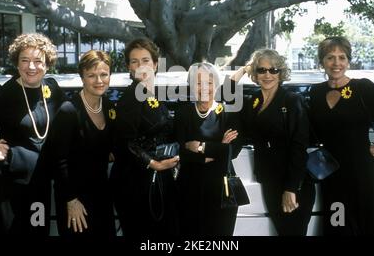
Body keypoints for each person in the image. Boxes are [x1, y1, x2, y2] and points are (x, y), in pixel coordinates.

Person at [308, 36, 374, 236]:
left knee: (371, 228)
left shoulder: (362, 88)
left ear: (348, 61)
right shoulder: (316, 92)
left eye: (342, 57)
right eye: (330, 57)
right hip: (332, 176)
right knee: (337, 228)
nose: (336, 63)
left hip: (365, 174)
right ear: (322, 61)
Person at [0, 33, 65, 236]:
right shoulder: (3, 94)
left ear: (47, 65)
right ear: (17, 64)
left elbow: (68, 125)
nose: (31, 67)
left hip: (40, 187)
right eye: (25, 60)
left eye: (38, 61)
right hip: (8, 189)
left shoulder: (52, 90)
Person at [229, 49, 315, 236]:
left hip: (292, 184)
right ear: (255, 73)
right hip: (269, 180)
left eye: (273, 70)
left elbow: (299, 146)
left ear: (280, 73)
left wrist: (291, 188)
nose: (267, 75)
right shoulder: (254, 101)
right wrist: (244, 69)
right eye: (261, 70)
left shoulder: (292, 100)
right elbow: (226, 93)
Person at [110, 38, 179, 236]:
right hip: (134, 183)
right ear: (128, 67)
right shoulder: (131, 97)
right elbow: (124, 142)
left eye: (146, 60)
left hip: (154, 180)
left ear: (156, 64)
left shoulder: (151, 94)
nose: (141, 66)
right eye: (134, 61)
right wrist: (155, 164)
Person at [47, 50, 116, 237]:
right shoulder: (69, 111)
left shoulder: (109, 107)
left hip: (102, 194)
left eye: (104, 74)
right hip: (75, 199)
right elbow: (58, 160)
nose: (99, 80)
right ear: (82, 78)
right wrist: (71, 200)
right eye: (91, 75)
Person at [175, 62, 241, 236]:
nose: (204, 88)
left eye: (210, 82)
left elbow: (233, 150)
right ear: (191, 86)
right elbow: (180, 150)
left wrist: (200, 147)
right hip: (189, 189)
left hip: (222, 188)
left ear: (217, 84)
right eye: (198, 83)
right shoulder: (183, 113)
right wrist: (217, 149)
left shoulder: (228, 111)